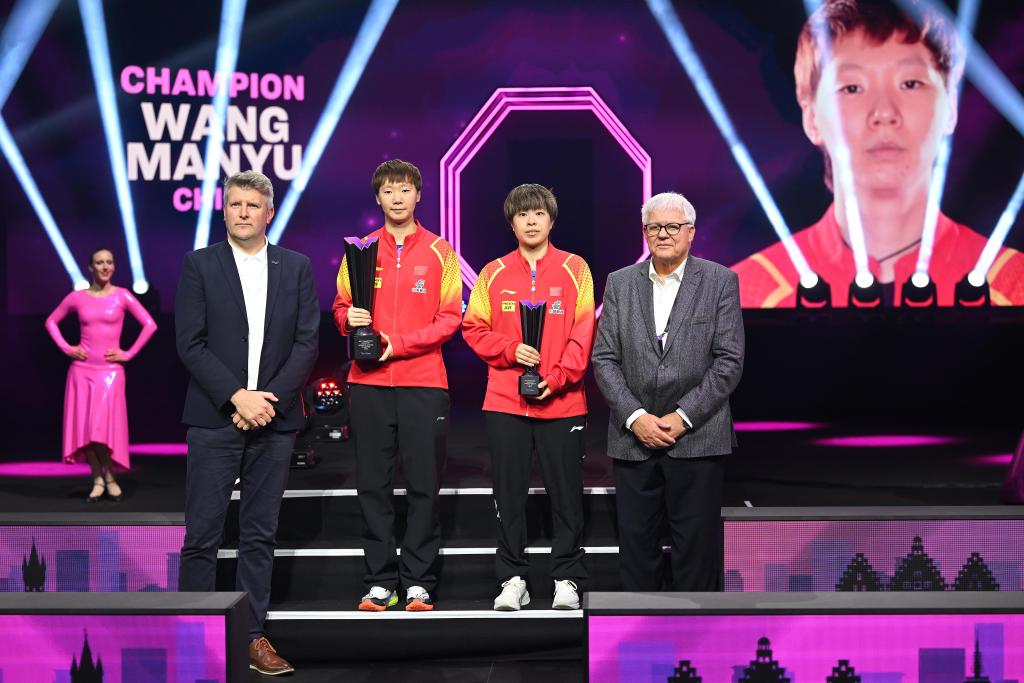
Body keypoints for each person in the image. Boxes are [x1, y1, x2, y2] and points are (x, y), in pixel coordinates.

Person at [732, 0, 1024, 307]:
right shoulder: (746, 296)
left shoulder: (1014, 286)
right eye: (852, 88)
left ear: (950, 109)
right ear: (812, 118)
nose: (884, 112)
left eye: (910, 83)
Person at [175, 170, 318, 676]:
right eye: (234, 204)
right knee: (203, 535)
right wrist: (237, 396)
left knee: (259, 535)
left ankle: (252, 637)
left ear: (269, 213)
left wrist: (267, 402)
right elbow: (189, 343)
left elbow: (307, 343)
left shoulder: (296, 266)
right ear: (224, 210)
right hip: (215, 418)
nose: (242, 212)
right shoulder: (199, 264)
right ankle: (193, 638)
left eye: (252, 205)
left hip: (273, 421)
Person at [592, 192, 744, 591]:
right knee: (636, 551)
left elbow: (729, 361)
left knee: (695, 551)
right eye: (654, 227)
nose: (663, 234)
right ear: (645, 233)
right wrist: (636, 417)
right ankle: (640, 628)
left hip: (698, 437)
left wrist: (682, 417)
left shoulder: (720, 281)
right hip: (633, 439)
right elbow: (604, 358)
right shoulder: (620, 283)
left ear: (691, 232)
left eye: (673, 226)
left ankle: (695, 629)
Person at [333, 159, 462, 612]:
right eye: (388, 190)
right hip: (367, 383)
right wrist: (347, 319)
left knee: (424, 484)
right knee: (373, 485)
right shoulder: (359, 250)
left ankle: (419, 582)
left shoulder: (441, 252)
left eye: (405, 189)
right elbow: (341, 307)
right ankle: (380, 581)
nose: (397, 198)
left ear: (419, 195)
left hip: (424, 383)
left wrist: (398, 345)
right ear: (378, 198)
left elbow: (451, 318)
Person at [462, 184, 595, 611]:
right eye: (523, 214)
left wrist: (556, 379)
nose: (531, 221)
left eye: (539, 214)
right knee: (508, 494)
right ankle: (512, 578)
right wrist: (509, 350)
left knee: (566, 495)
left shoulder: (576, 269)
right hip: (506, 402)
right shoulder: (492, 273)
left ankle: (567, 577)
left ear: (551, 221)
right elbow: (473, 328)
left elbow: (582, 334)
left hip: (562, 402)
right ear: (512, 223)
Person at [45, 248, 157, 502]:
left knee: (101, 428)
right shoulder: (77, 297)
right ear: (91, 267)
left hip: (110, 372)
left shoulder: (122, 295)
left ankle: (109, 477)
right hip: (81, 371)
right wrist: (67, 348)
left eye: (109, 262)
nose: (105, 266)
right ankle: (99, 478)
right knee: (86, 429)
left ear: (114, 266)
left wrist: (129, 353)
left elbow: (150, 324)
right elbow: (51, 321)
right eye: (100, 262)